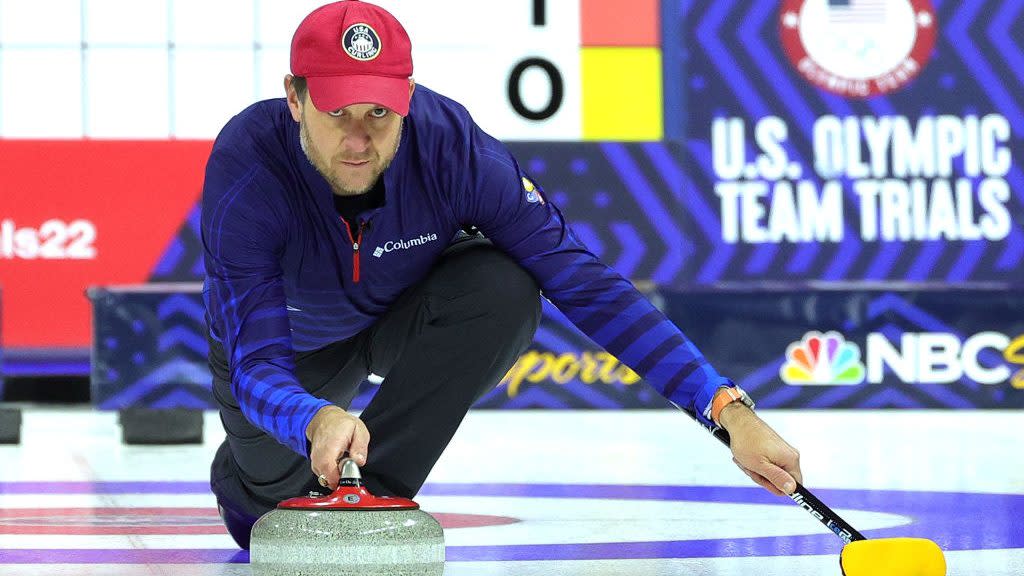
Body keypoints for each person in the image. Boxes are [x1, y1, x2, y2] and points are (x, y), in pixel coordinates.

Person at [202, 0, 803, 550]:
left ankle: (370, 498)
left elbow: (585, 283)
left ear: (408, 96)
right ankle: (254, 474)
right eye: (337, 113)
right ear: (295, 97)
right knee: (261, 518)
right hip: (291, 348)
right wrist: (312, 416)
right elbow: (256, 364)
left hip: (397, 316)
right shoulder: (248, 168)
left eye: (380, 113)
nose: (358, 140)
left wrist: (727, 410)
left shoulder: (452, 149)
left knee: (504, 285)